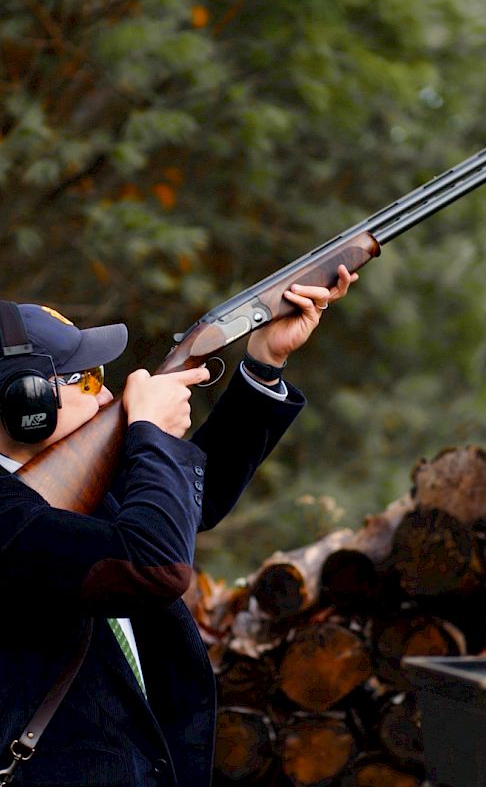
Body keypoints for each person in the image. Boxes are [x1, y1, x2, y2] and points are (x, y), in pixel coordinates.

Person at [0, 266, 357, 787]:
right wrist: (151, 434)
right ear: (27, 403)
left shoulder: (62, 488)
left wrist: (264, 364)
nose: (107, 396)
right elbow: (155, 564)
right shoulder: (11, 516)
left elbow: (195, 503)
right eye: (88, 380)